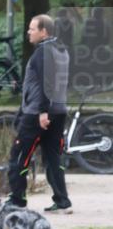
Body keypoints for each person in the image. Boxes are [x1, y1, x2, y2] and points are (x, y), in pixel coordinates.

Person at [5, 14, 72, 214]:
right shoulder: (62, 50)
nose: (28, 32)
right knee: (53, 158)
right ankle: (62, 201)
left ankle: (17, 200)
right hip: (59, 112)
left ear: (44, 31)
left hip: (38, 114)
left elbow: (46, 83)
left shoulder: (43, 52)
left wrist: (43, 111)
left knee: (19, 156)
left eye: (32, 29)